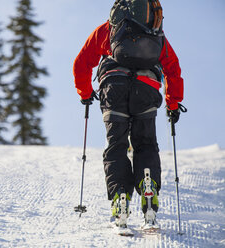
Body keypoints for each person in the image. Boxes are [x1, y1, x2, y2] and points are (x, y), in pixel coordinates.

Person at [73, 0, 184, 228]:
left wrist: (85, 92)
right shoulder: (155, 32)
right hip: (146, 88)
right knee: (145, 145)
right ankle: (148, 189)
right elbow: (173, 68)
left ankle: (120, 197)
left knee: (117, 146)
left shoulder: (109, 29)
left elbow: (81, 62)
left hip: (114, 88)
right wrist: (173, 104)